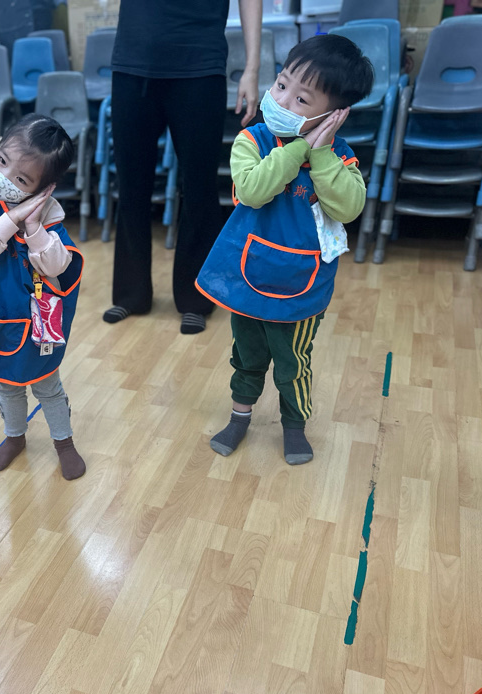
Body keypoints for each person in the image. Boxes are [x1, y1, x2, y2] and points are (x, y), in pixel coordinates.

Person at [195, 34, 374, 464]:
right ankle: (239, 417)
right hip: (249, 275)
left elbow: (348, 207)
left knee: (294, 362)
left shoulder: (341, 158)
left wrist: (322, 153)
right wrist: (298, 149)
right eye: (281, 85)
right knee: (246, 355)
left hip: (302, 282)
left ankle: (294, 426)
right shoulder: (251, 141)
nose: (281, 100)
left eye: (301, 99)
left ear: (333, 115)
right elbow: (253, 190)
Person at [102, 0, 263, 335]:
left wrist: (252, 69)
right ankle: (131, 294)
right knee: (131, 185)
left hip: (200, 65)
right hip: (133, 61)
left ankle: (196, 299)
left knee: (199, 188)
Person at [0, 114, 86, 480]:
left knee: (47, 383)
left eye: (22, 179)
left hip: (37, 320)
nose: (5, 177)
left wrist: (34, 226)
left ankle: (64, 443)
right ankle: (14, 437)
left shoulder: (49, 213)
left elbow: (57, 265)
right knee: (7, 383)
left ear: (44, 189)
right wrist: (12, 219)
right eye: (2, 160)